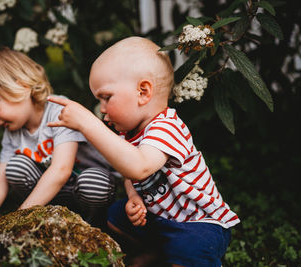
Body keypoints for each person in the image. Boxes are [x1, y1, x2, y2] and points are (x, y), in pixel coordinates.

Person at [47, 36, 240, 267]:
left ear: (143, 92)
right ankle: (159, 253)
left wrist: (88, 124)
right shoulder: (127, 134)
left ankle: (175, 256)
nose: (102, 109)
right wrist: (133, 196)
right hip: (161, 220)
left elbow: (139, 167)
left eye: (106, 98)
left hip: (200, 224)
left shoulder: (167, 127)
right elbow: (129, 173)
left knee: (188, 247)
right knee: (115, 216)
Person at [0, 47, 116, 259]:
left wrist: (18, 220)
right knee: (16, 167)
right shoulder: (13, 132)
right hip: (52, 197)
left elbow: (61, 170)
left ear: (21, 86)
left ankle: (94, 231)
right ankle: (44, 223)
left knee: (94, 183)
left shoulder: (60, 111)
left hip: (83, 188)